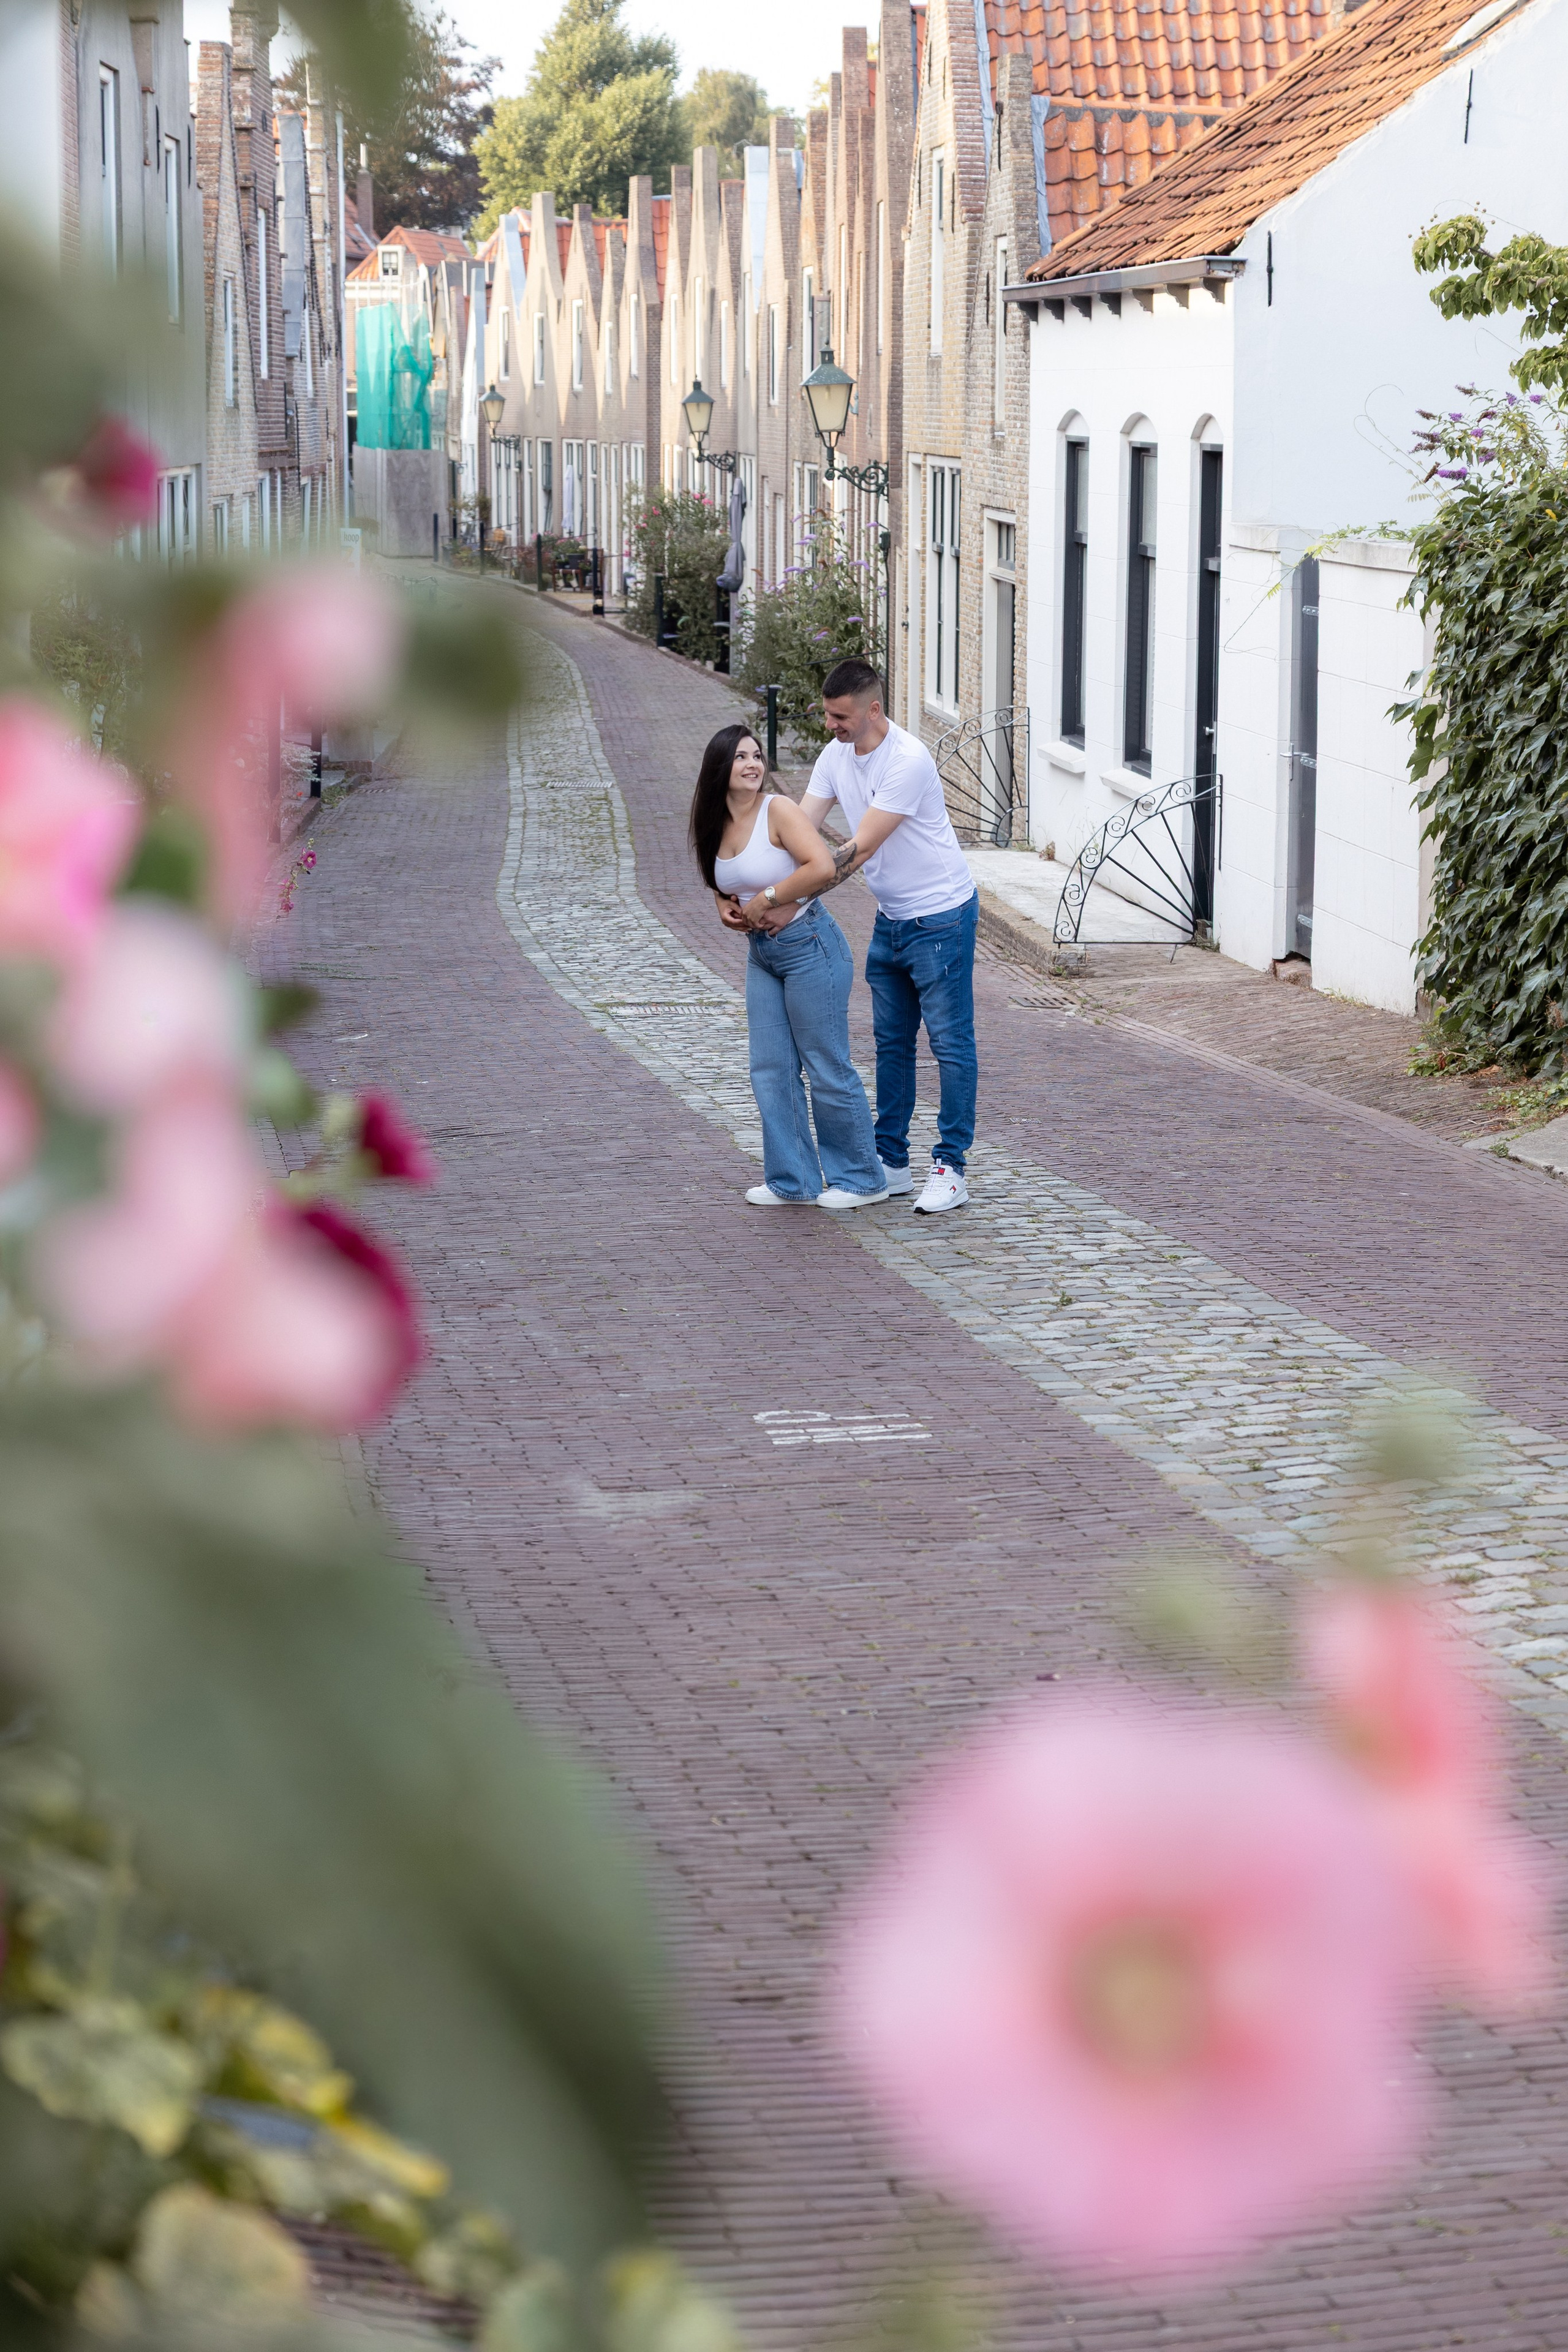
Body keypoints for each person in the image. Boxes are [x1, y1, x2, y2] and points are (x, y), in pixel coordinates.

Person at [743, 658, 977, 1215]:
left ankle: (951, 1166)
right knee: (891, 1045)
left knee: (949, 1045)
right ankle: (890, 1162)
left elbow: (858, 849)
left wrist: (785, 900)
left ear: (874, 710)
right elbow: (796, 835)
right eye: (827, 715)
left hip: (941, 917)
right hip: (891, 919)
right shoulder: (833, 757)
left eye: (840, 716)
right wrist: (748, 885)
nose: (831, 726)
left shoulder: (909, 760)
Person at [690, 723, 888, 1210]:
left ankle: (863, 1178)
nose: (754, 764)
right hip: (763, 955)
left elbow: (821, 865)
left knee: (825, 1065)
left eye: (757, 755)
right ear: (721, 767)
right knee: (771, 1068)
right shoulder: (712, 818)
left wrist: (772, 897)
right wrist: (723, 901)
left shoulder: (778, 811)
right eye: (741, 757)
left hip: (811, 947)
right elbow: (719, 873)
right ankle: (792, 1180)